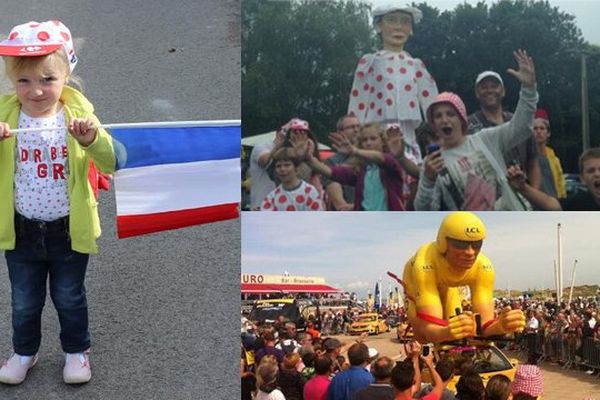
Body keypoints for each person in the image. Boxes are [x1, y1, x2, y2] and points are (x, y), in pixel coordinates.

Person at [0, 20, 122, 385]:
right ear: (12, 81)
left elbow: (112, 160)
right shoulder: (7, 117)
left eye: (48, 79)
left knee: (69, 296)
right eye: (24, 81)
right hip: (22, 228)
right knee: (24, 299)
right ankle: (25, 351)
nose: (36, 91)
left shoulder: (78, 117)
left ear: (66, 75)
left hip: (67, 229)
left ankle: (76, 351)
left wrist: (90, 140)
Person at [414, 50, 538, 211]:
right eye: (438, 116)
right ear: (434, 125)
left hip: (512, 223)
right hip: (472, 233)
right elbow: (423, 211)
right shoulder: (432, 163)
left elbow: (522, 126)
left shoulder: (485, 139)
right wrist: (428, 181)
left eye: (450, 114)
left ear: (461, 119)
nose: (444, 120)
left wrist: (529, 87)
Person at [401, 212, 525, 343]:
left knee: (459, 329)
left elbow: (484, 326)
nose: (470, 252)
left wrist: (500, 326)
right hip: (415, 283)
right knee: (423, 339)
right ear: (443, 243)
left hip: (448, 286)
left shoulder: (483, 266)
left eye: (477, 244)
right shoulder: (425, 262)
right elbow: (429, 331)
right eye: (460, 244)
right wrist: (446, 332)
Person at [348, 4, 438, 164]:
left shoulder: (415, 65)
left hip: (407, 134)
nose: (398, 27)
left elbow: (432, 104)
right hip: (376, 134)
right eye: (391, 20)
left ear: (411, 29)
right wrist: (354, 135)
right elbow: (358, 101)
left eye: (405, 22)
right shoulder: (370, 63)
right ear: (378, 26)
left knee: (409, 173)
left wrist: (441, 134)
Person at [467, 70, 541, 191]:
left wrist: (534, 195)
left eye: (494, 86)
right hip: (489, 199)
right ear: (477, 93)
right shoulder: (468, 126)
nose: (489, 90)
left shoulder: (519, 122)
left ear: (503, 91)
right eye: (484, 87)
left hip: (523, 195)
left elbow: (533, 163)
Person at [305, 122, 406, 210]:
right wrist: (310, 160)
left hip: (389, 224)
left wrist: (355, 151)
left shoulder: (391, 163)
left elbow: (382, 158)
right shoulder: (362, 170)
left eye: (373, 138)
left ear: (383, 142)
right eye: (364, 140)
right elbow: (332, 172)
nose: (368, 143)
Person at [507, 147, 600, 210]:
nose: (597, 174)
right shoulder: (581, 202)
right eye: (591, 171)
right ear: (582, 179)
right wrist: (523, 187)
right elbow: (551, 204)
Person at [261, 147, 323, 211]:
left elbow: (316, 218)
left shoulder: (309, 192)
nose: (282, 169)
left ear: (297, 168)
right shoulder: (272, 197)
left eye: (287, 165)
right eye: (278, 166)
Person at [323, 114, 360, 210]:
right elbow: (341, 206)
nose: (356, 130)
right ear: (340, 132)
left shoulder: (368, 158)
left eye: (358, 126)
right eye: (351, 127)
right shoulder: (331, 163)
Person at [531, 108, 565, 198]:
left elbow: (560, 185)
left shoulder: (555, 160)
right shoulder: (525, 157)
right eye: (535, 128)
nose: (538, 131)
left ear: (548, 133)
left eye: (542, 128)